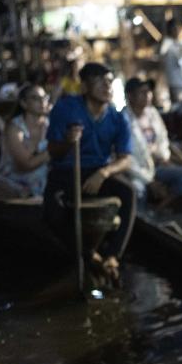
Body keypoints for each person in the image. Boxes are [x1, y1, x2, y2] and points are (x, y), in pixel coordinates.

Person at [44, 62, 135, 285]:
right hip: (67, 169)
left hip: (96, 171)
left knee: (128, 194)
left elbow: (126, 158)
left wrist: (104, 173)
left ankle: (113, 256)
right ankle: (88, 254)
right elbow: (53, 151)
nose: (107, 86)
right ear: (84, 87)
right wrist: (67, 141)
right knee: (52, 209)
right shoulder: (66, 108)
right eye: (100, 81)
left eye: (109, 81)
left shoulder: (117, 116)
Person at [122, 76, 182, 206]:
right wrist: (149, 181)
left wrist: (163, 155)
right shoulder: (122, 119)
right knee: (138, 190)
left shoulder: (152, 112)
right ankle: (143, 219)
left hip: (158, 165)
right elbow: (127, 159)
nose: (148, 95)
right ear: (130, 96)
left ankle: (162, 206)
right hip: (137, 170)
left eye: (148, 91)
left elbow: (163, 138)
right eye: (142, 92)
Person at [0, 84, 51, 198]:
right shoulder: (14, 127)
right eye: (35, 98)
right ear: (23, 103)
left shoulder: (51, 124)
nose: (42, 101)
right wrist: (53, 150)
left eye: (45, 97)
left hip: (46, 181)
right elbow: (25, 164)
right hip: (14, 182)